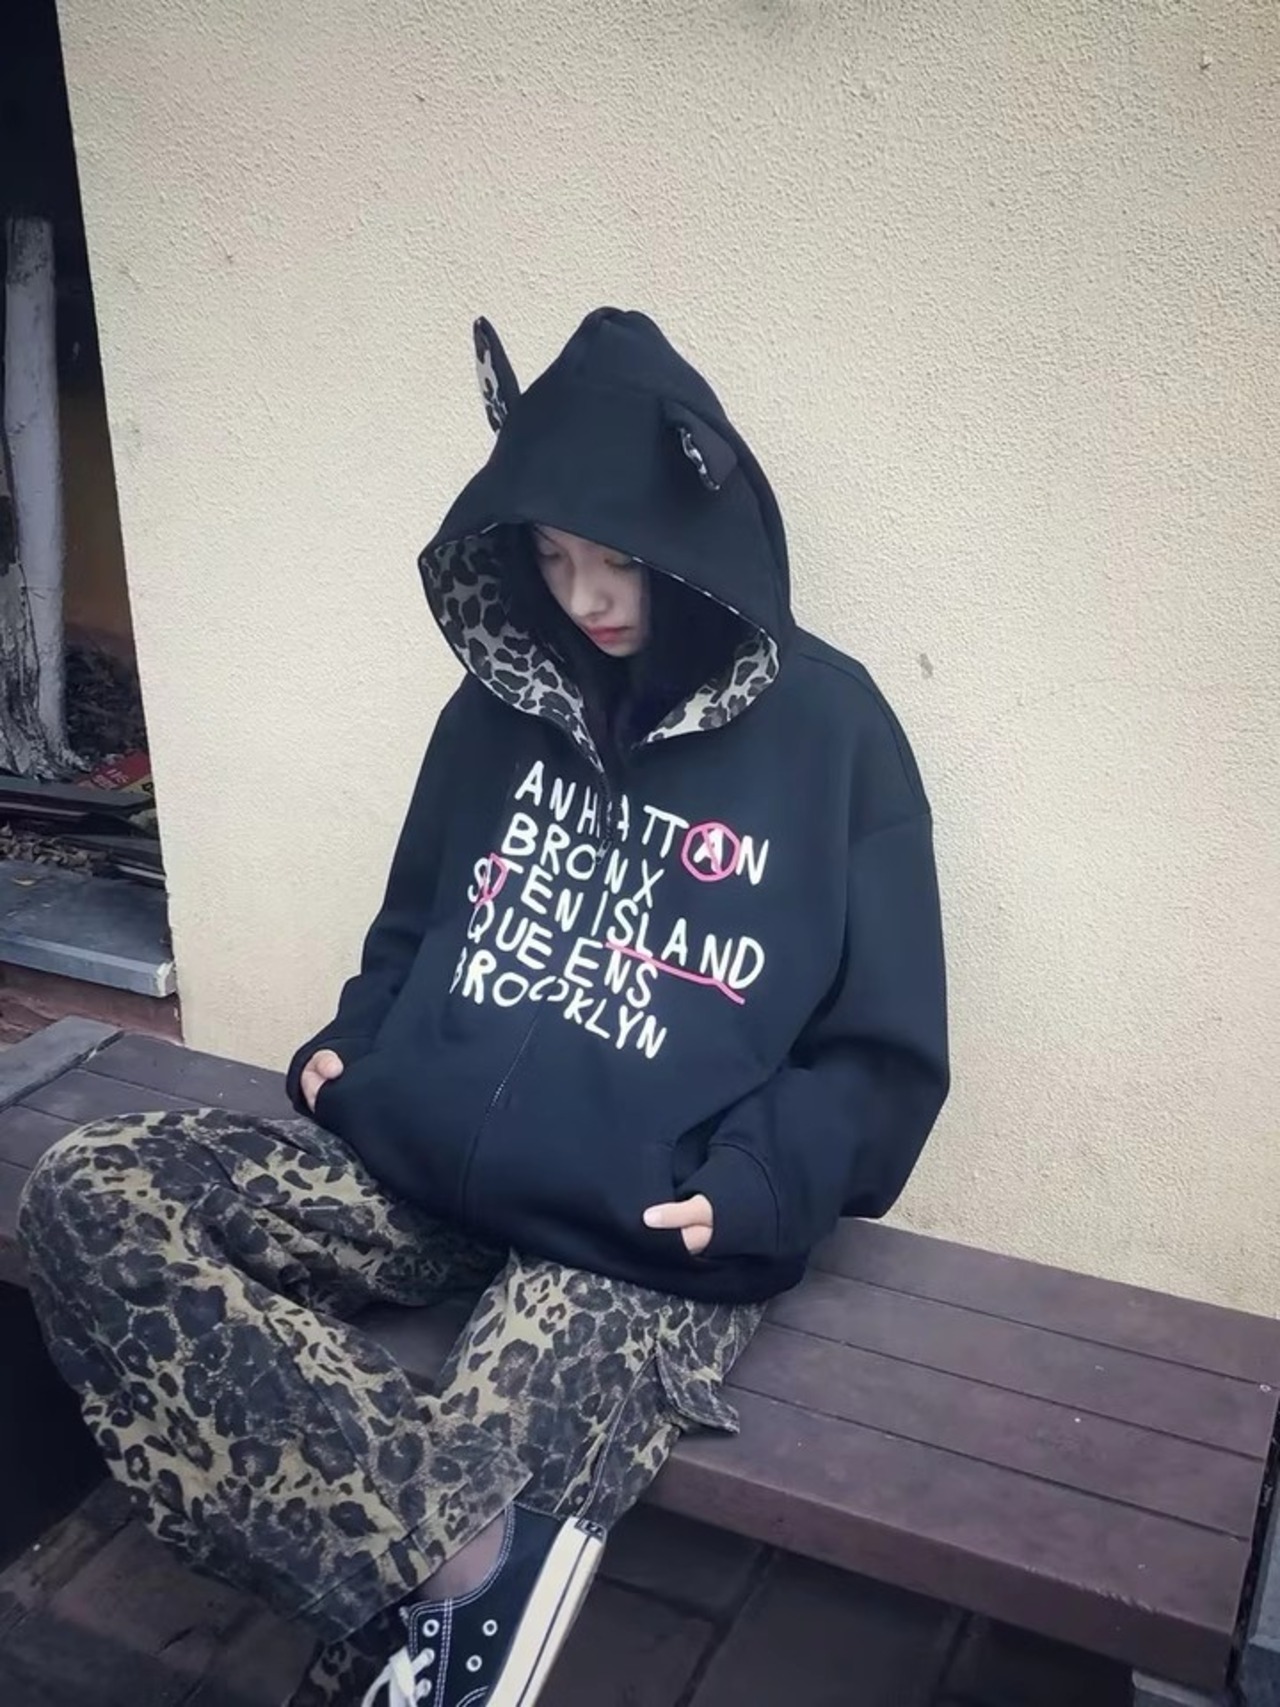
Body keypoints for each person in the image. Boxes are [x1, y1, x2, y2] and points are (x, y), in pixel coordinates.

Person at [17, 308, 949, 1707]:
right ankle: (453, 1559)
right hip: (416, 1166)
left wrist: (762, 1183)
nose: (585, 599)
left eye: (616, 561)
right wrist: (357, 1041)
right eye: (553, 560)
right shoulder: (496, 708)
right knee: (91, 1190)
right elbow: (416, 919)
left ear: (698, 539)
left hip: (641, 1232)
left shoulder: (837, 734)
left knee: (502, 1448)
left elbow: (883, 1051)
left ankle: (422, 1632)